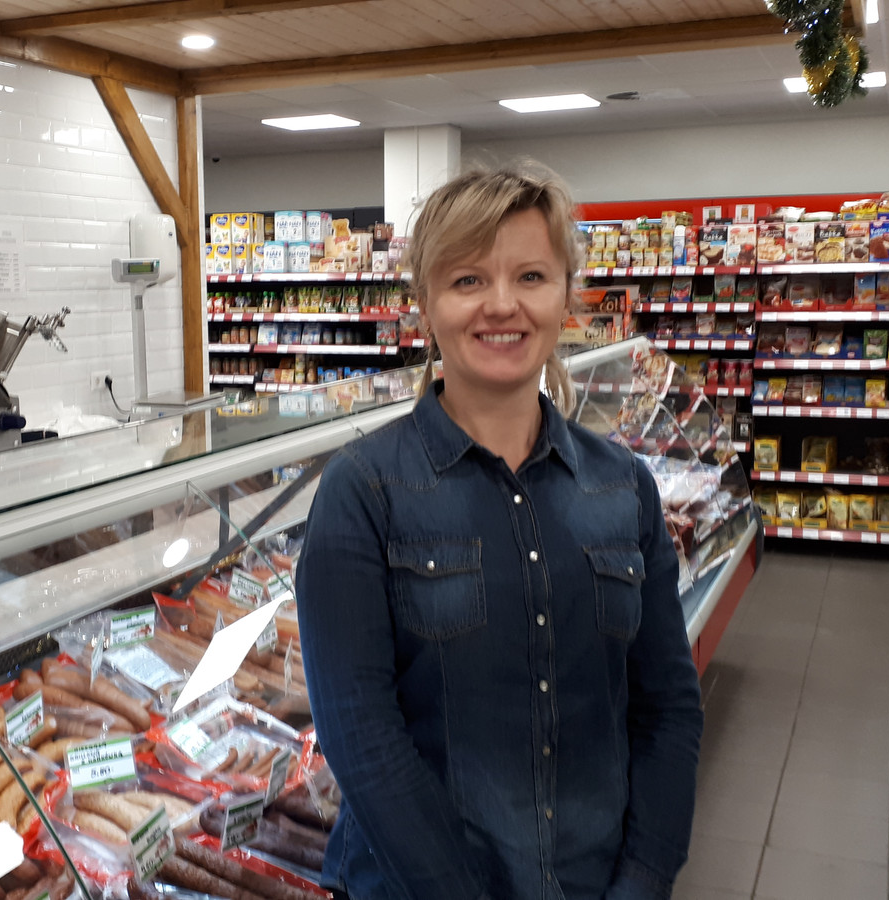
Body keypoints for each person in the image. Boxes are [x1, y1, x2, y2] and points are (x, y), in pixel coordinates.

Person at [295, 166, 703, 900]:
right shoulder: (363, 492)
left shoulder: (623, 488)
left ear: (566, 297)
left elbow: (668, 709)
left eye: (531, 276)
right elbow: (361, 739)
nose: (503, 305)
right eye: (468, 281)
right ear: (424, 304)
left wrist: (644, 878)